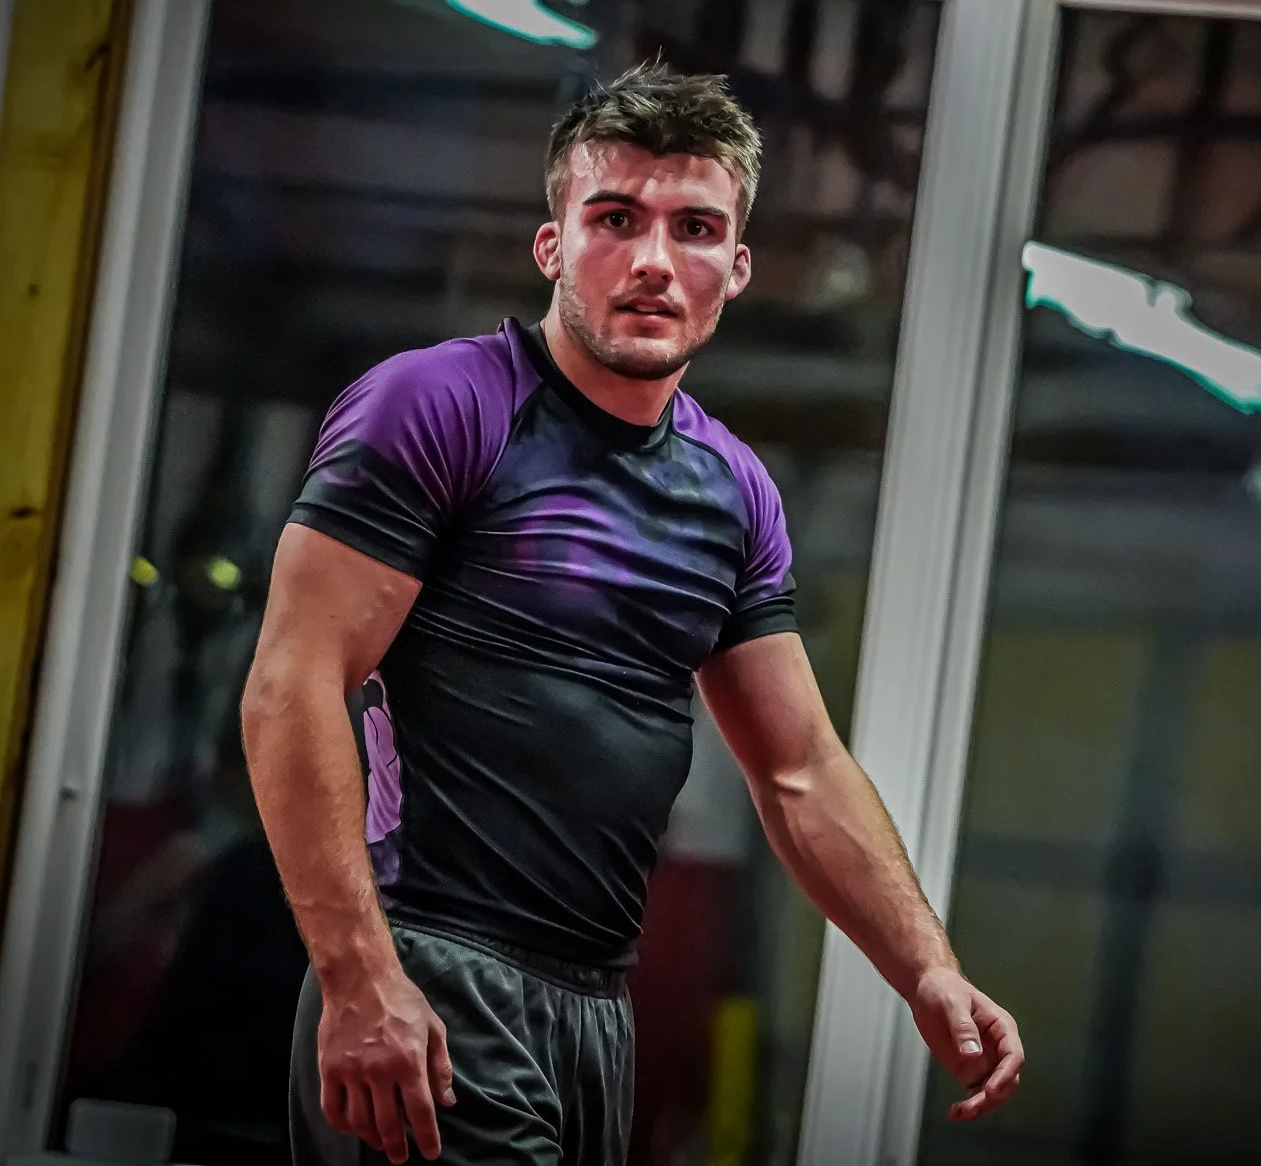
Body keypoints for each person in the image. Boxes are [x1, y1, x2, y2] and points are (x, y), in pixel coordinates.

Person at [242, 63, 1024, 1166]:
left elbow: (799, 769)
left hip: (593, 1012)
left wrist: (925, 967)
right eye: (615, 219)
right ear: (552, 243)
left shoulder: (732, 488)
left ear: (736, 268)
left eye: (693, 228)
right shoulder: (440, 404)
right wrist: (360, 979)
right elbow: (293, 683)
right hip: (429, 972)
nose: (653, 260)